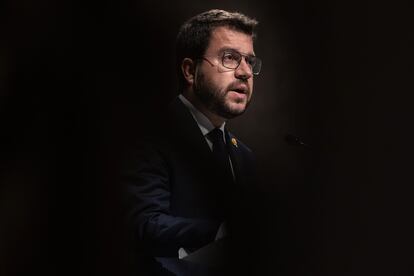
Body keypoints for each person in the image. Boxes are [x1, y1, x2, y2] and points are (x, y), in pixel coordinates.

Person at [122, 9, 262, 276]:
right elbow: (143, 224)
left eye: (250, 61)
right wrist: (220, 230)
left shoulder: (244, 156)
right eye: (230, 58)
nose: (245, 72)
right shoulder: (148, 135)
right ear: (189, 70)